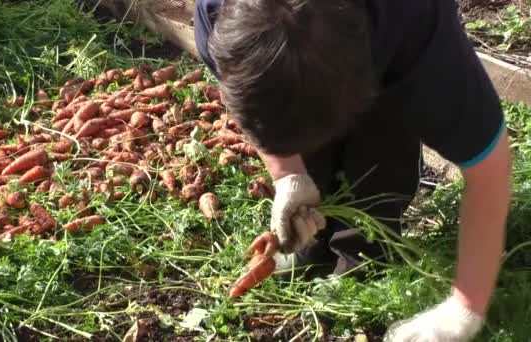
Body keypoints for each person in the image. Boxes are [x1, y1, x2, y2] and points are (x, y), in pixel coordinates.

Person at [194, 0, 512, 341]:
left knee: (380, 146)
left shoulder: (417, 27)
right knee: (292, 116)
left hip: (385, 35)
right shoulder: (215, 19)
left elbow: (489, 168)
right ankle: (312, 249)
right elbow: (257, 110)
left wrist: (464, 310)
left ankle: (365, 256)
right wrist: (288, 173)